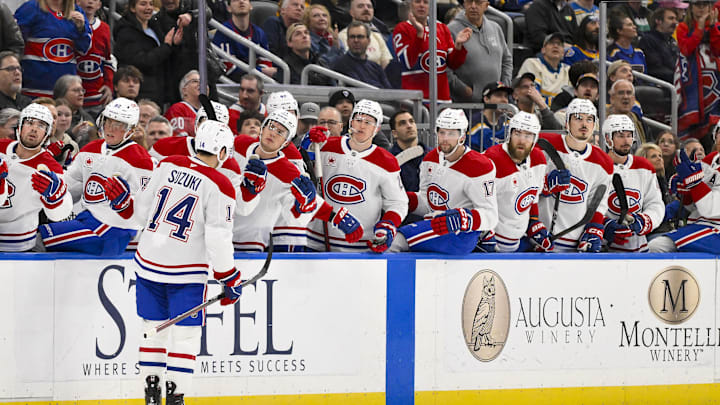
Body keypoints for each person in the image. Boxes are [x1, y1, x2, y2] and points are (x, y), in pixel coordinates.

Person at [129, 120, 239, 405]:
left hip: (148, 263)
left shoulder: (168, 163)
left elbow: (141, 211)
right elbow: (218, 238)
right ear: (223, 152)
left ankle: (150, 395)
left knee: (152, 330)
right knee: (185, 337)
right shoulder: (221, 184)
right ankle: (175, 396)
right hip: (186, 274)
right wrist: (228, 276)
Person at [233, 109, 363, 252]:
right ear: (262, 128)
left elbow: (308, 198)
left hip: (250, 242)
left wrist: (335, 217)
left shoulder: (288, 171)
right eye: (271, 126)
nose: (273, 133)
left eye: (281, 132)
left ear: (286, 142)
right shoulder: (238, 144)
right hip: (220, 231)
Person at [39, 98, 153, 255]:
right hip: (87, 219)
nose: (110, 129)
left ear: (131, 130)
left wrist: (126, 204)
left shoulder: (141, 161)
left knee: (42, 238)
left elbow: (143, 210)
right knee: (40, 232)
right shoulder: (90, 149)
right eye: (108, 122)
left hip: (115, 229)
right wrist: (54, 185)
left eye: (119, 125)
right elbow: (71, 185)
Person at [389, 108, 497, 254]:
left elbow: (490, 215)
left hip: (461, 235)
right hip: (436, 227)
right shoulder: (429, 160)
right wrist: (402, 199)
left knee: (395, 241)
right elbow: (428, 204)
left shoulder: (480, 166)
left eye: (451, 133)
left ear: (462, 136)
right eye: (442, 132)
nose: (445, 138)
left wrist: (462, 218)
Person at [305, 99, 408, 252]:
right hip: (316, 241)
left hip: (360, 246)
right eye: (358, 119)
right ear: (350, 122)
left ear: (377, 128)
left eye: (368, 122)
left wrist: (388, 224)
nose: (361, 125)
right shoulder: (326, 146)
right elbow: (300, 170)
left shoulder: (386, 161)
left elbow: (398, 203)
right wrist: (307, 143)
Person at [537, 99, 613, 252]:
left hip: (575, 245)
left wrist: (594, 228)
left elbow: (598, 202)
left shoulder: (603, 162)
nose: (584, 124)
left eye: (589, 119)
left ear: (594, 125)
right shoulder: (542, 145)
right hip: (540, 240)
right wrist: (545, 185)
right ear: (567, 123)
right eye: (578, 118)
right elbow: (522, 184)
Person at [0, 103, 72, 251]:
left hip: (19, 242)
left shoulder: (52, 168)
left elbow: (59, 215)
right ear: (19, 127)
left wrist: (55, 199)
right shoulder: (1, 147)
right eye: (30, 122)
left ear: (47, 134)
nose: (34, 128)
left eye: (41, 126)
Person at [484, 112, 552, 252]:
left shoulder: (539, 159)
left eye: (528, 135)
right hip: (491, 243)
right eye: (518, 133)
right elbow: (475, 202)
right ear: (509, 134)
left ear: (535, 139)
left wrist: (534, 221)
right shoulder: (491, 160)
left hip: (518, 241)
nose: (522, 140)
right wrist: (483, 233)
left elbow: (532, 197)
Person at [601, 115, 664, 252]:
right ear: (607, 138)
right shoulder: (598, 166)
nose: (626, 140)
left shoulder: (644, 166)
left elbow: (655, 204)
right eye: (620, 135)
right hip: (604, 250)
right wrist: (604, 225)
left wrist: (644, 221)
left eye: (629, 135)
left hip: (639, 249)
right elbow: (587, 206)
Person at [393, 0, 471, 102]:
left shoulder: (442, 28)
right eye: (417, 2)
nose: (422, 5)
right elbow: (408, 62)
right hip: (415, 101)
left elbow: (453, 65)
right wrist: (419, 35)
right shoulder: (402, 28)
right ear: (411, 5)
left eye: (426, 2)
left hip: (442, 100)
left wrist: (458, 45)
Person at [647, 146, 720, 253]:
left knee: (657, 246)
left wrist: (694, 183)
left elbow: (710, 209)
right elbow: (692, 205)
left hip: (716, 231)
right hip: (698, 226)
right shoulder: (712, 159)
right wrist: (685, 189)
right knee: (654, 245)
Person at [14, 0, 92, 98]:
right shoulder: (31, 8)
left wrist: (81, 29)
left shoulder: (77, 11)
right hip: (34, 89)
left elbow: (84, 50)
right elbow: (14, 43)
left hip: (65, 91)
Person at [114, 0, 182, 107]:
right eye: (143, 4)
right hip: (140, 92)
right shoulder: (125, 32)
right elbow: (142, 61)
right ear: (132, 8)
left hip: (159, 88)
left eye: (151, 4)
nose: (149, 7)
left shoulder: (155, 26)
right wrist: (166, 47)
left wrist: (173, 44)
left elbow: (164, 54)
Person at [447, 0, 512, 102]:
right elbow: (445, 68)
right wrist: (464, 90)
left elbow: (506, 60)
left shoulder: (496, 28)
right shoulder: (451, 29)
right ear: (464, 4)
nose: (473, 6)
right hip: (465, 104)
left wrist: (504, 86)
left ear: (486, 5)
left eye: (478, 2)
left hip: (495, 102)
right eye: (469, 2)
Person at [676, 0, 720, 139]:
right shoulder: (683, 27)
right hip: (692, 78)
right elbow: (686, 49)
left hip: (715, 79)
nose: (701, 8)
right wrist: (700, 28)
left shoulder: (716, 25)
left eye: (704, 5)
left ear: (710, 7)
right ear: (691, 7)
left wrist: (712, 27)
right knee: (694, 120)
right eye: (697, 5)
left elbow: (718, 49)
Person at [212, 0, 276, 81]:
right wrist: (260, 71)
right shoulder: (223, 32)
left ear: (251, 6)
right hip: (232, 85)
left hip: (256, 83)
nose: (241, 1)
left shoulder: (259, 33)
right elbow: (228, 68)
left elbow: (266, 63)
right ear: (229, 8)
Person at [76, 0, 114, 114]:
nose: (90, 2)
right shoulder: (68, 24)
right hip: (74, 96)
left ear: (99, 5)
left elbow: (108, 60)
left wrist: (108, 85)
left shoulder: (104, 28)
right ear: (77, 2)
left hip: (97, 97)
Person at [332, 21, 392, 88]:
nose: (356, 40)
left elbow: (388, 91)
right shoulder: (340, 65)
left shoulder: (376, 67)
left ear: (368, 41)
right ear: (347, 41)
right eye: (352, 37)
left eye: (360, 37)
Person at [517, 32, 570, 107]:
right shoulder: (532, 63)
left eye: (559, 44)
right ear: (543, 50)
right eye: (551, 43)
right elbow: (533, 94)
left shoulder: (567, 70)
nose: (555, 46)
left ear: (563, 53)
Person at [337, 0, 393, 68]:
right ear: (351, 12)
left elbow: (386, 63)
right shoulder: (343, 35)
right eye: (360, 6)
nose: (366, 9)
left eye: (369, 7)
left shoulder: (377, 36)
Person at [467, 82, 514, 152]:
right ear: (486, 99)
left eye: (506, 96)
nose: (504, 100)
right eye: (499, 95)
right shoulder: (475, 123)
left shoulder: (507, 121)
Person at [389, 110, 428, 193]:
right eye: (403, 123)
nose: (409, 126)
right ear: (394, 133)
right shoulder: (388, 161)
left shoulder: (432, 155)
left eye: (411, 121)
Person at [639, 8, 679, 84]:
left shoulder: (672, 41)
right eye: (671, 18)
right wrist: (677, 76)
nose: (675, 22)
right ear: (658, 21)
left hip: (675, 81)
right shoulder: (648, 40)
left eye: (675, 19)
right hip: (660, 84)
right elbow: (655, 69)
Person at [607, 79, 648, 144]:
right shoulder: (601, 122)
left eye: (629, 93)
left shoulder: (640, 123)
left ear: (633, 99)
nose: (625, 97)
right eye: (621, 93)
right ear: (612, 99)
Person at [164, 70, 203, 137]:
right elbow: (178, 138)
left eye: (203, 82)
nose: (200, 84)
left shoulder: (211, 110)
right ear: (184, 90)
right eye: (195, 81)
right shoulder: (177, 109)